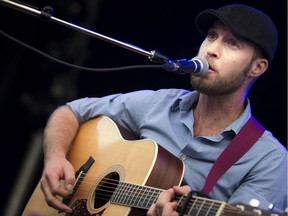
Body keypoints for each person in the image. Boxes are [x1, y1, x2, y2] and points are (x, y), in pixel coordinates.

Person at [39, 4, 287, 215]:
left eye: (232, 43)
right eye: (212, 36)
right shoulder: (159, 104)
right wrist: (55, 158)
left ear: (257, 68)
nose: (211, 49)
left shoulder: (269, 160)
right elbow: (70, 111)